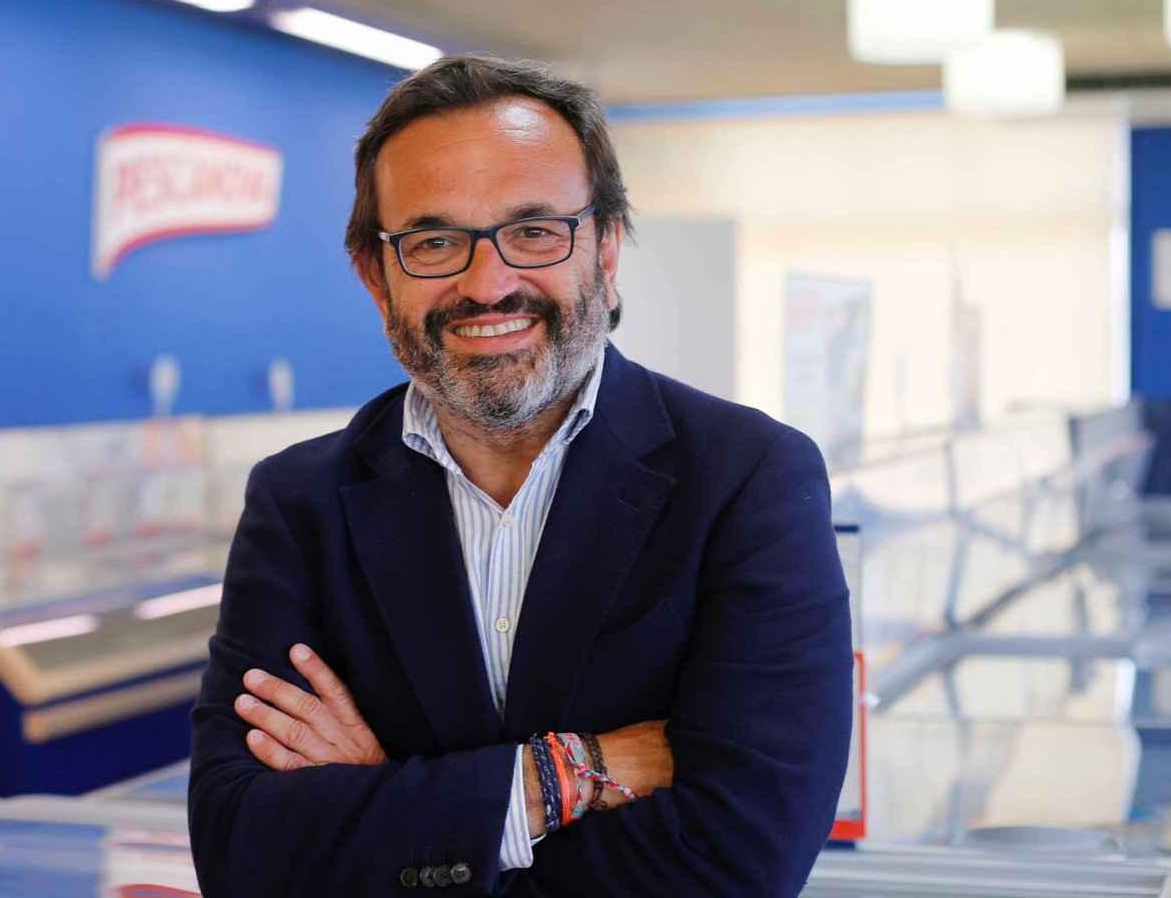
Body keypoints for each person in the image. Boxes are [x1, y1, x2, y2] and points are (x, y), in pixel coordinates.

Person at [188, 55, 852, 896]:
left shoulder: (747, 479)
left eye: (535, 231)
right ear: (376, 277)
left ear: (606, 249)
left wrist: (389, 808)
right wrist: (565, 775)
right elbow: (240, 851)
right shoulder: (300, 504)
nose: (488, 283)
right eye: (434, 242)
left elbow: (743, 858)